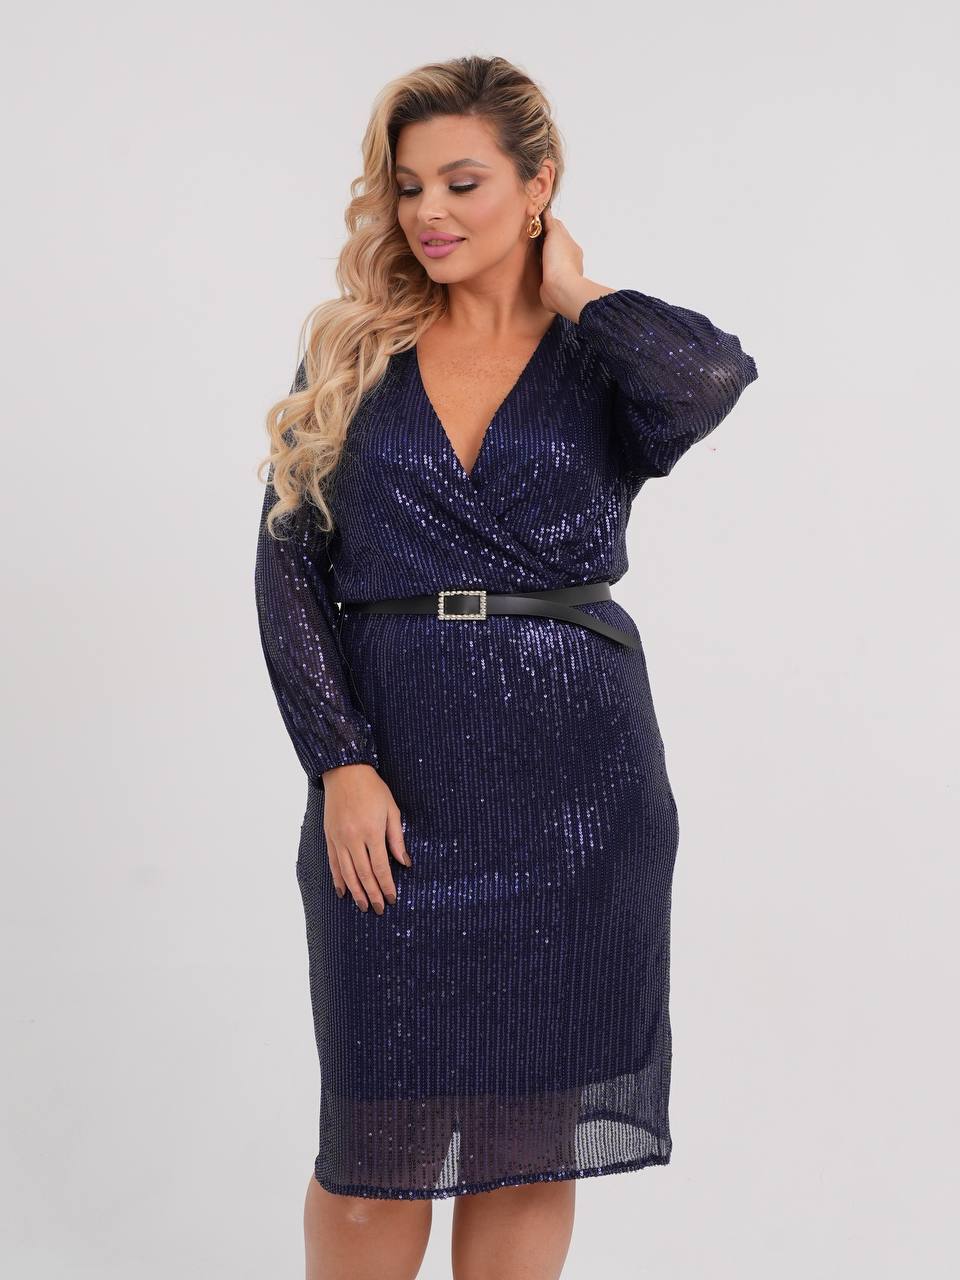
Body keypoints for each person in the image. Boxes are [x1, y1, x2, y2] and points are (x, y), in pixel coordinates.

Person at [254, 53, 758, 1280]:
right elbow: (285, 568)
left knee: (529, 1144)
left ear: (537, 186)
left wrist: (577, 289)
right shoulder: (354, 354)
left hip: (579, 797)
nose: (429, 211)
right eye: (409, 185)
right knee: (375, 1144)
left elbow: (709, 377)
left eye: (463, 181)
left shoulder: (602, 361)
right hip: (398, 784)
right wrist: (340, 762)